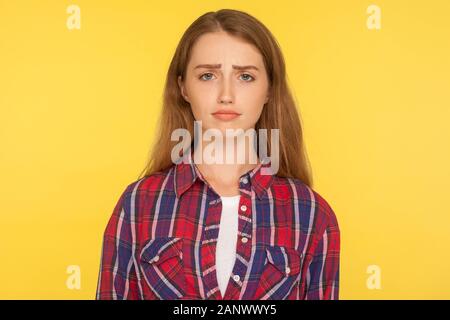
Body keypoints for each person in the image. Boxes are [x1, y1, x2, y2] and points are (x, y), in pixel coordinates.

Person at [96, 8, 340, 300]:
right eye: (208, 75)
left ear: (269, 90)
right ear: (183, 86)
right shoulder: (137, 205)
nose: (226, 94)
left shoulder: (311, 214)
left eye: (245, 77)